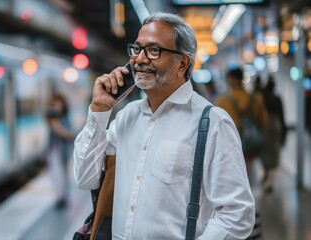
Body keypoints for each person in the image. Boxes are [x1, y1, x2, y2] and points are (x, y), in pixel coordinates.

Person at [73, 12, 255, 239]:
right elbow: (85, 178)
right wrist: (99, 110)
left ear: (182, 63)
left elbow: (237, 212)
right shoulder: (127, 117)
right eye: (137, 49)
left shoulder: (213, 123)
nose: (139, 59)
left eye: (153, 50)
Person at [46, 93, 74, 208]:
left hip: (62, 151)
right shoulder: (51, 118)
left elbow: (69, 134)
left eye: (58, 103)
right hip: (52, 150)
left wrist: (56, 127)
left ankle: (62, 198)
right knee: (54, 174)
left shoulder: (65, 118)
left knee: (62, 174)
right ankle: (59, 196)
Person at [260, 76, 287, 193]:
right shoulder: (277, 99)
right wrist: (284, 133)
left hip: (264, 126)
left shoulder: (262, 98)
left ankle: (267, 177)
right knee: (274, 154)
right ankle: (270, 180)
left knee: (264, 152)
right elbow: (282, 116)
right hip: (276, 127)